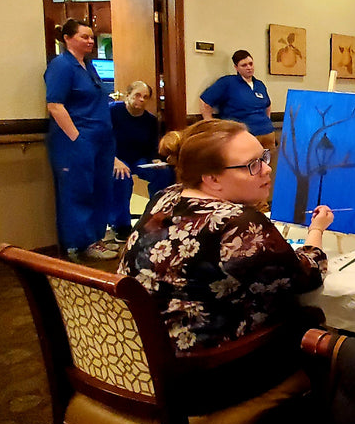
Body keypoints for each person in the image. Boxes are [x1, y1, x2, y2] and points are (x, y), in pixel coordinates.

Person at [120, 119, 334, 403]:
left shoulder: (165, 198)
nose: (267, 169)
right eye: (252, 165)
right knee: (311, 322)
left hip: (138, 359)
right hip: (199, 375)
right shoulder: (236, 224)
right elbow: (306, 276)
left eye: (264, 158)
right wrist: (317, 230)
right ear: (212, 179)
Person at [44, 18, 119, 261]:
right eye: (84, 37)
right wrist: (77, 138)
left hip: (102, 139)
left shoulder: (88, 65)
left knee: (100, 189)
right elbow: (55, 105)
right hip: (77, 140)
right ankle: (80, 242)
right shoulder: (62, 66)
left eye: (91, 37)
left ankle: (96, 238)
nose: (90, 41)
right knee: (78, 191)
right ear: (67, 38)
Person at [108, 81, 174, 239]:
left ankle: (157, 217)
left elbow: (152, 145)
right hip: (115, 158)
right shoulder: (112, 112)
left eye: (145, 97)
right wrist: (114, 160)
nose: (141, 100)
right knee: (122, 177)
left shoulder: (150, 120)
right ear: (128, 95)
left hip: (139, 159)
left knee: (164, 173)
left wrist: (156, 159)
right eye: (137, 95)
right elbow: (103, 140)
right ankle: (121, 225)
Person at [200, 49, 277, 168]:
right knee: (247, 170)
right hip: (243, 135)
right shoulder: (227, 83)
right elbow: (205, 101)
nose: (249, 67)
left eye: (251, 64)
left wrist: (267, 121)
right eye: (244, 65)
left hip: (267, 134)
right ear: (236, 67)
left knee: (267, 170)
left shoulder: (259, 84)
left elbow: (267, 104)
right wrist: (210, 125)